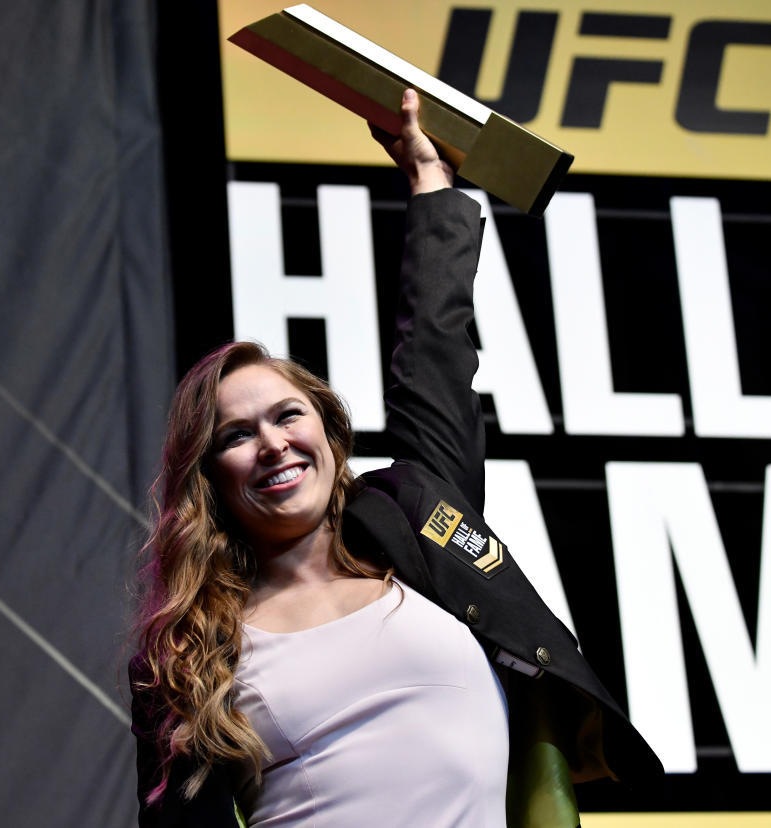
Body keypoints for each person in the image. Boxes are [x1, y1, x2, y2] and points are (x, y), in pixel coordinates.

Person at [130, 89, 662, 827]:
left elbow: (436, 358)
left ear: (329, 431)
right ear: (210, 478)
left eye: (289, 415)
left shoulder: (414, 523)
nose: (274, 443)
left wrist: (429, 183)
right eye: (236, 435)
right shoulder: (191, 647)